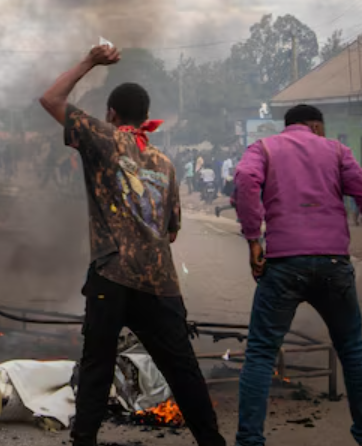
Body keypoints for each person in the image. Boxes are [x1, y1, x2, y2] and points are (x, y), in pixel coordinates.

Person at [40, 45, 225, 446]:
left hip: (112, 275)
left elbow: (51, 99)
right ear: (145, 116)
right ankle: (213, 442)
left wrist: (90, 61)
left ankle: (84, 441)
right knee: (183, 370)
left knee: (97, 367)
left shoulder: (101, 138)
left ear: (111, 114)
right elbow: (171, 230)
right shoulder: (164, 163)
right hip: (160, 282)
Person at [233, 104, 362, 446]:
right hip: (334, 263)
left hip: (283, 264)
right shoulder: (336, 151)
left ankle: (249, 441)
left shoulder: (264, 148)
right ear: (317, 127)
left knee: (260, 354)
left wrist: (252, 238)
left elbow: (245, 179)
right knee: (352, 350)